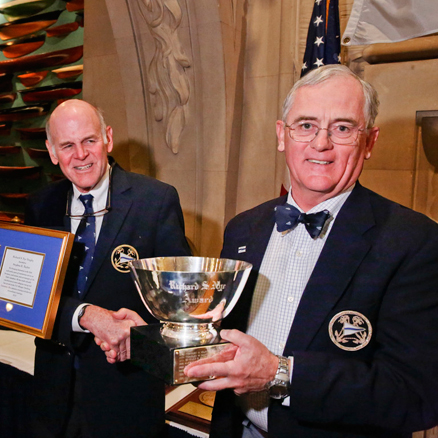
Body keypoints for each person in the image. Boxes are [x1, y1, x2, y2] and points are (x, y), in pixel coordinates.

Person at [185, 65, 438, 437]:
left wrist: (279, 375)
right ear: (281, 136)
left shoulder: (413, 242)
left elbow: (418, 397)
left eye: (342, 128)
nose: (321, 144)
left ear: (369, 142)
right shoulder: (243, 228)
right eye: (305, 125)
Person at [25, 99, 191, 438]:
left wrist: (140, 338)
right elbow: (30, 296)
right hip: (53, 396)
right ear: (52, 151)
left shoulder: (155, 201)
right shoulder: (41, 206)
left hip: (125, 395)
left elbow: (180, 306)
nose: (81, 155)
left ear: (108, 139)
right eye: (67, 146)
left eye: (89, 140)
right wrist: (86, 314)